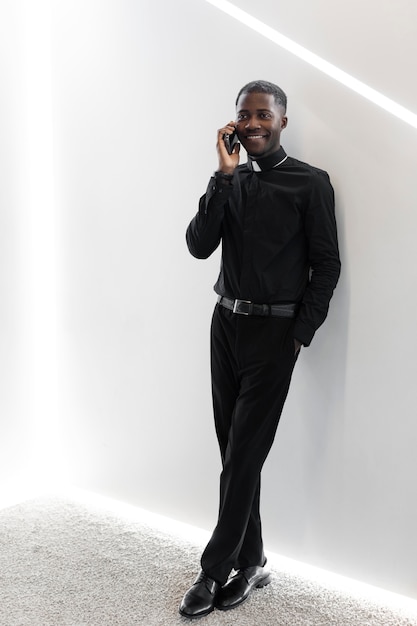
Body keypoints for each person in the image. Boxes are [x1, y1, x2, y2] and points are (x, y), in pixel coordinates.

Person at [179, 80, 341, 619]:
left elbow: (327, 266)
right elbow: (199, 245)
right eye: (244, 115)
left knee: (244, 456)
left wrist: (299, 335)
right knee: (234, 453)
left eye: (263, 115)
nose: (253, 124)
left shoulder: (311, 184)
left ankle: (212, 569)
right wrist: (222, 177)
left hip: (275, 337)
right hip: (224, 325)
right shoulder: (232, 181)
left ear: (282, 121)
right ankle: (253, 562)